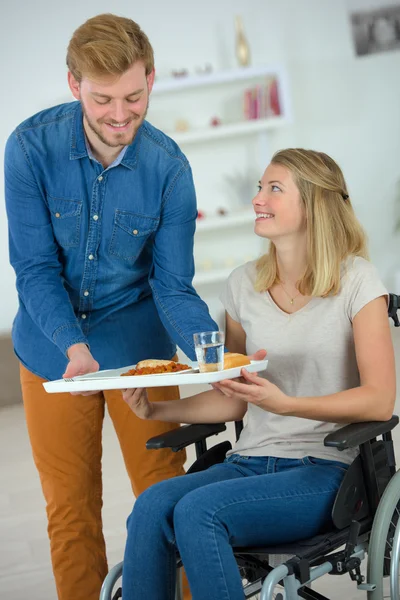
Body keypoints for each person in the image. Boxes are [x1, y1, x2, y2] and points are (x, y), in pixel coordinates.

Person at [4, 13, 222, 600]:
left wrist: (213, 355)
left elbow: (173, 285)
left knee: (164, 497)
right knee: (70, 507)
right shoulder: (27, 148)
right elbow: (34, 268)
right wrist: (73, 346)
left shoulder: (170, 169)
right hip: (51, 351)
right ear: (74, 84)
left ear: (151, 79)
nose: (121, 115)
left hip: (139, 351)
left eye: (134, 96)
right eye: (103, 99)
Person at [121, 148, 396, 600]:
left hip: (323, 467)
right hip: (249, 461)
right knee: (151, 506)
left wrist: (288, 404)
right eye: (259, 188)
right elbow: (234, 397)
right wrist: (156, 408)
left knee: (198, 512)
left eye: (274, 188)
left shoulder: (359, 282)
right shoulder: (242, 285)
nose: (257, 199)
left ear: (314, 204)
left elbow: (380, 400)